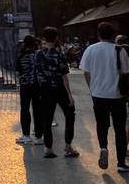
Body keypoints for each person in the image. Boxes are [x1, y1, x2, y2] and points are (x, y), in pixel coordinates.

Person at [79, 23, 129, 172]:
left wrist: (92, 87)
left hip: (98, 95)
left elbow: (86, 72)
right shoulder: (120, 50)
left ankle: (103, 148)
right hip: (117, 96)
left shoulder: (90, 50)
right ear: (113, 34)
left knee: (102, 124)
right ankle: (120, 163)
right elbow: (126, 73)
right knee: (120, 128)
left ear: (98, 34)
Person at [35, 26, 79, 160]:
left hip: (45, 90)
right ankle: (68, 146)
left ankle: (48, 148)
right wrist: (70, 95)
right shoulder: (59, 54)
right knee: (69, 115)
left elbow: (37, 74)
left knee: (47, 120)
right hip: (59, 89)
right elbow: (64, 76)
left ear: (43, 38)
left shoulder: (38, 54)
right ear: (56, 38)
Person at [16, 35, 43, 145]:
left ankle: (26, 135)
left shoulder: (21, 57)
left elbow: (18, 73)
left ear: (24, 44)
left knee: (25, 109)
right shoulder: (39, 55)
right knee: (38, 110)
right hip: (37, 86)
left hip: (25, 86)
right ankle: (39, 136)